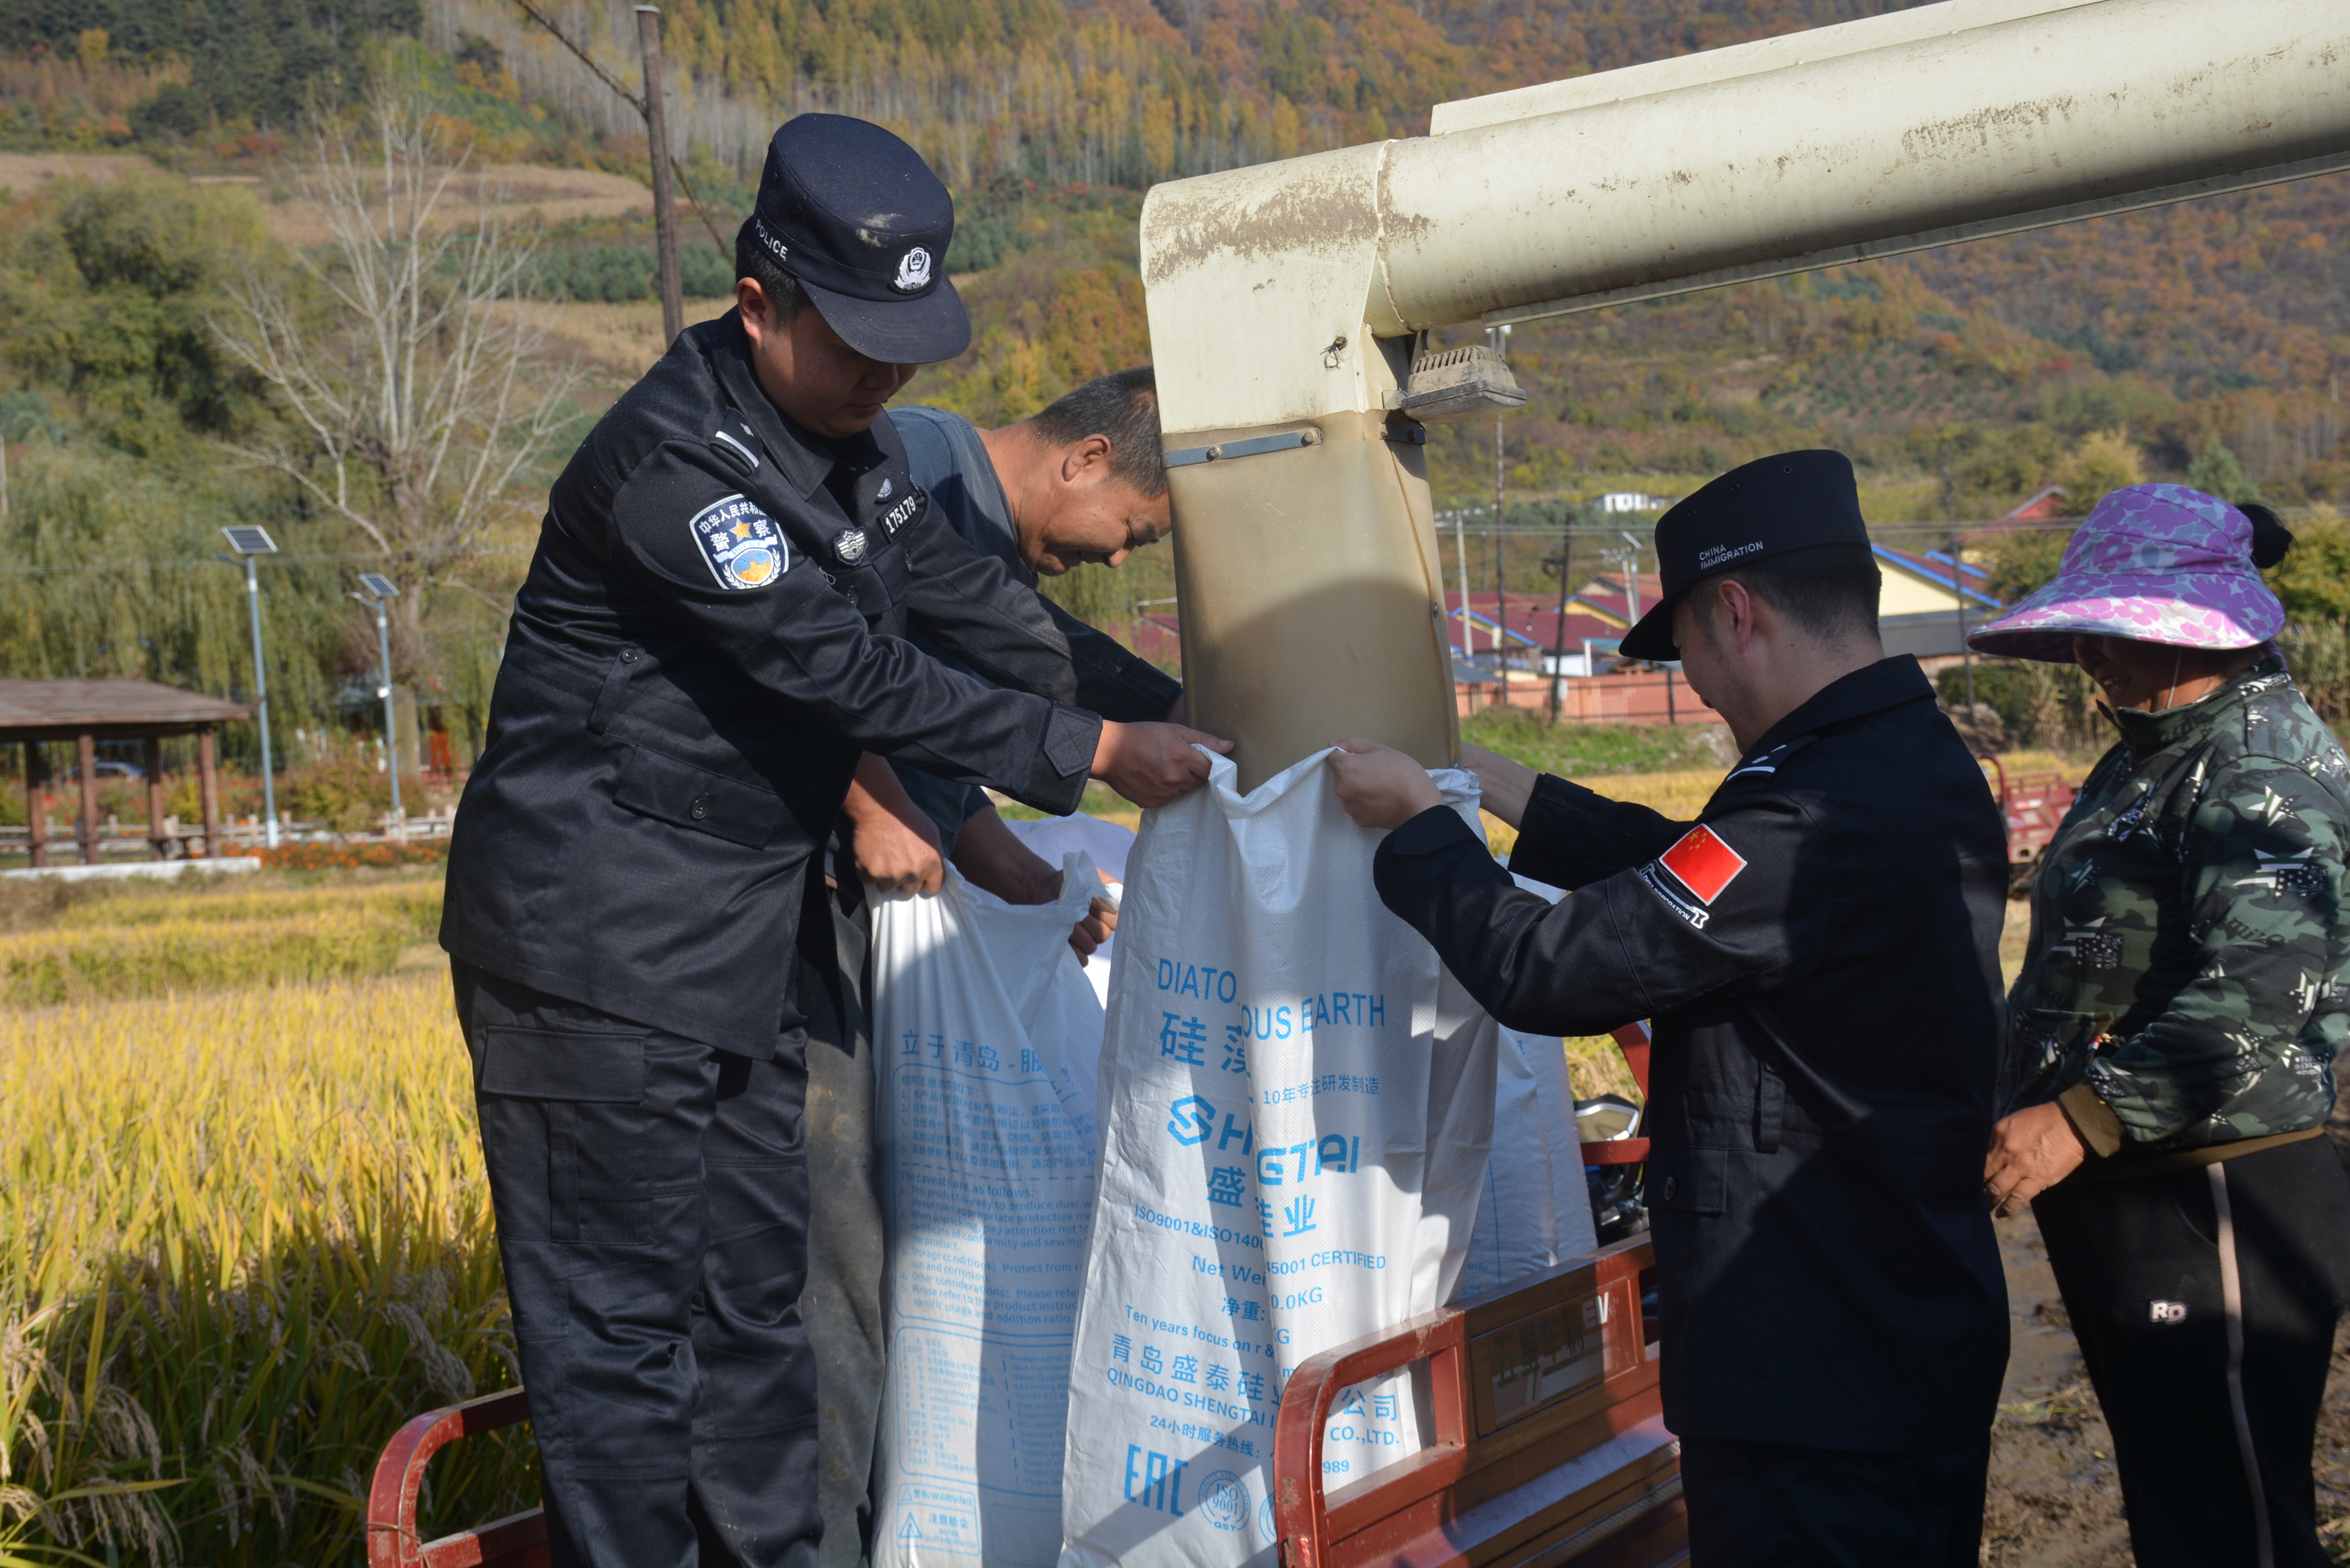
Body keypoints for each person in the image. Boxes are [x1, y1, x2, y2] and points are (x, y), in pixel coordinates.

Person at [439, 112, 1225, 1568]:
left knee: (752, 1310)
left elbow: (981, 613)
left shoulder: (846, 450)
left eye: (905, 350)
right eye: (858, 344)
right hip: (594, 954)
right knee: (620, 1337)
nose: (886, 379)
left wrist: (1181, 709)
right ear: (760, 303)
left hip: (739, 941)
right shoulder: (681, 470)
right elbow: (850, 673)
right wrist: (1099, 756)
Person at [1328, 450, 2010, 1567]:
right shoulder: (1900, 763)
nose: (1692, 680)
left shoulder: (1811, 812)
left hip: (1814, 1377)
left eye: (1683, 643)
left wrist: (1421, 829)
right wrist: (1482, 779)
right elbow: (1688, 872)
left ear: (1734, 613)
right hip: (1893, 1337)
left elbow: (1549, 969)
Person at [799, 370, 1184, 1566]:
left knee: (882, 1255)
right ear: (1085, 459)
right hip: (794, 934)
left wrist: (1012, 874)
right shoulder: (907, 467)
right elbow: (800, 654)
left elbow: (942, 741)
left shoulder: (971, 534)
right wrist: (867, 796)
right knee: (838, 1270)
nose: (1118, 557)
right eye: (1134, 531)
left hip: (873, 925)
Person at [1972, 486, 2350, 1568]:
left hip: (2215, 1191)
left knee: (2231, 1518)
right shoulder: (2157, 748)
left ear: (2199, 630)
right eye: (2086, 628)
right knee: (2182, 1504)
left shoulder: (2259, 764)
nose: (2090, 653)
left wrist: (2078, 1120)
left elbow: (2260, 991)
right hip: (2137, 1179)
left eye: (2114, 628)